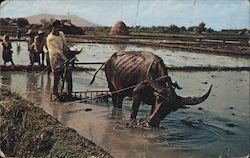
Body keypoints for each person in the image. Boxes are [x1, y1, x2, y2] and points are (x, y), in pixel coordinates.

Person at [46, 19, 72, 101]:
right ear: (53, 27)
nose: (58, 28)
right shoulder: (50, 38)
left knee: (68, 76)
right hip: (55, 59)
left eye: (59, 27)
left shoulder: (61, 34)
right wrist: (64, 58)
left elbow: (65, 45)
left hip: (64, 57)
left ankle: (69, 93)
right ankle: (55, 93)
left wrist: (69, 52)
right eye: (57, 27)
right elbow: (56, 51)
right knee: (56, 77)